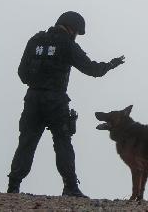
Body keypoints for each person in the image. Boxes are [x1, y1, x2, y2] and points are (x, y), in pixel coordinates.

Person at [7, 11, 125, 197]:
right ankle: (70, 187)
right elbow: (92, 69)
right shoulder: (67, 44)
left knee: (26, 142)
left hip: (33, 99)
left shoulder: (35, 40)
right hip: (55, 101)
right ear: (72, 28)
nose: (76, 35)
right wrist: (111, 64)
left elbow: (22, 74)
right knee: (62, 142)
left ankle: (13, 186)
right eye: (77, 32)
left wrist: (38, 82)